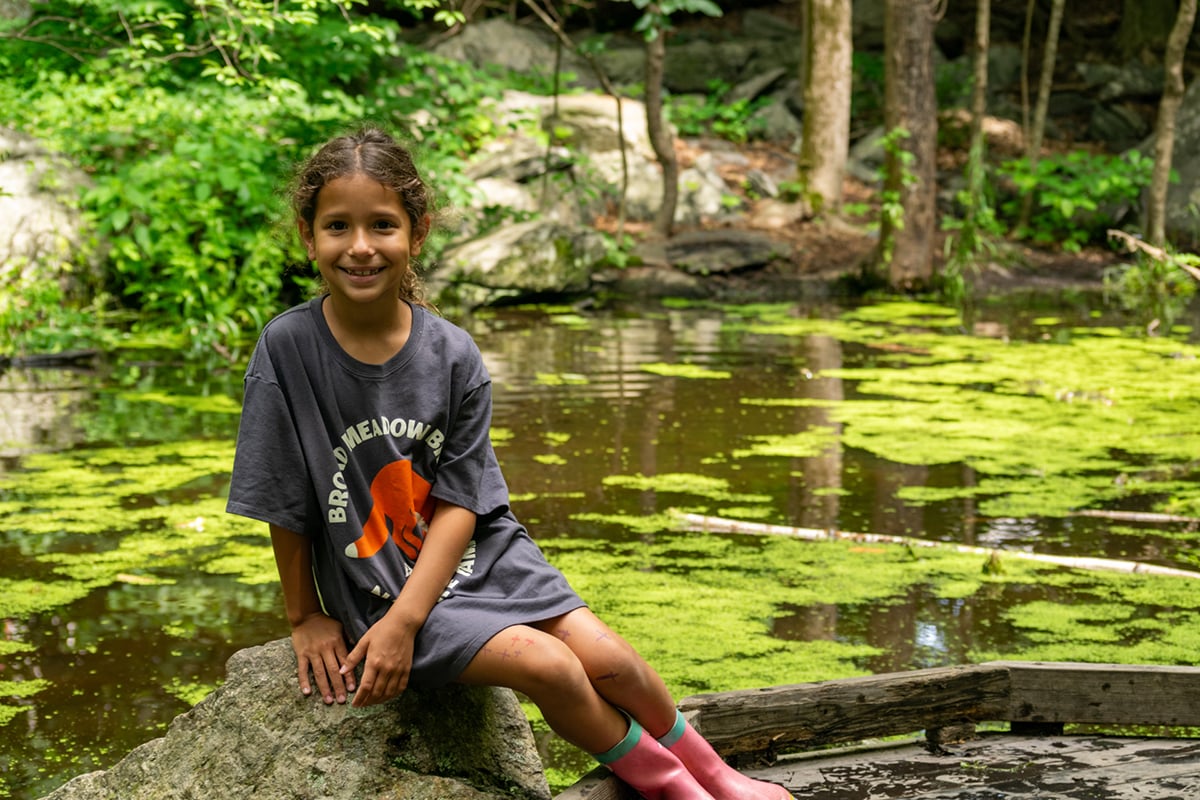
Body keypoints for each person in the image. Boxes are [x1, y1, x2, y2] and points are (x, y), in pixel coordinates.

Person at [226, 125, 793, 800]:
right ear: (306, 234)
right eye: (337, 227)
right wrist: (306, 616)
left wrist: (413, 620)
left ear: (418, 230)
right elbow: (279, 495)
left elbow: (463, 502)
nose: (360, 247)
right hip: (379, 582)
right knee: (547, 665)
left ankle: (720, 775)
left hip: (484, 555)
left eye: (382, 225)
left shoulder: (454, 354)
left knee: (613, 660)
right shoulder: (288, 348)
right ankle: (672, 786)